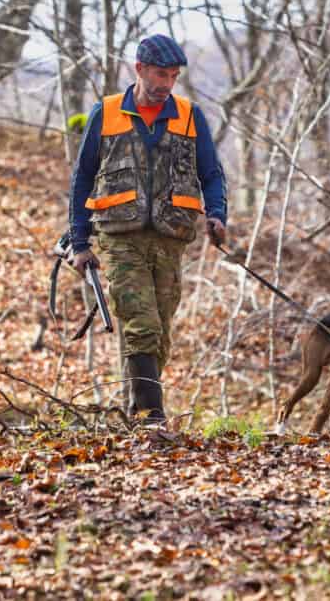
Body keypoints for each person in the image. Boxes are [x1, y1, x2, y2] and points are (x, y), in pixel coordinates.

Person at [68, 34, 228, 425]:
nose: (166, 84)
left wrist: (217, 213)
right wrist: (79, 240)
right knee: (141, 324)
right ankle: (152, 420)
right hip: (120, 238)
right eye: (160, 74)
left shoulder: (190, 116)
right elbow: (83, 176)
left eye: (174, 76)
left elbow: (211, 173)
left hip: (170, 240)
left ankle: (135, 413)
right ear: (139, 69)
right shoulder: (105, 113)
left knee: (160, 335)